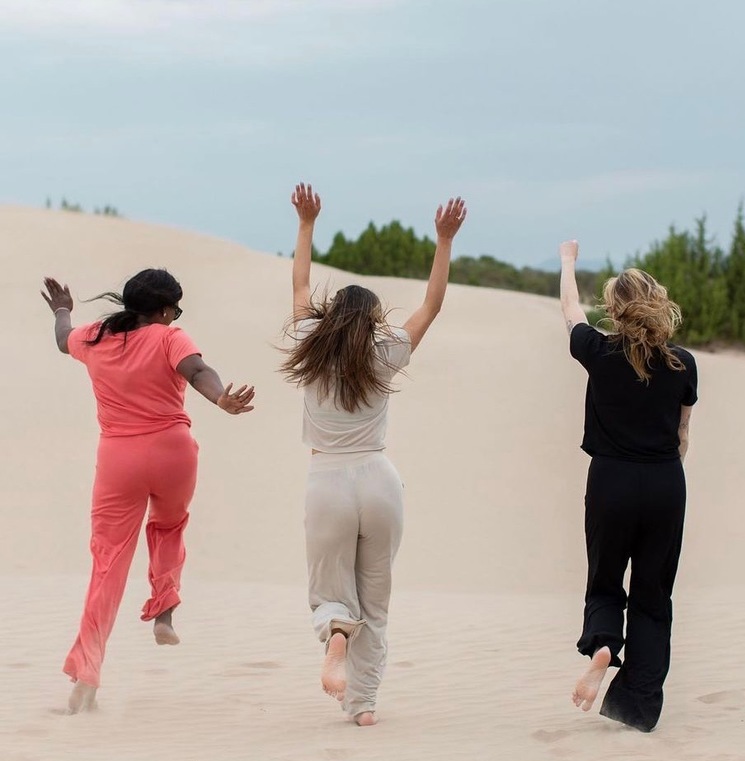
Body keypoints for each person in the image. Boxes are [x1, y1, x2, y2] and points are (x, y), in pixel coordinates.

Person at [282, 183, 466, 726]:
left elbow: (299, 283)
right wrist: (444, 240)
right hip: (380, 480)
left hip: (327, 479)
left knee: (331, 589)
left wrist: (306, 224)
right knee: (377, 598)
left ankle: (337, 633)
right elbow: (432, 305)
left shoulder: (310, 342)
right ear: (371, 321)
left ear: (333, 316)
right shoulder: (385, 352)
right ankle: (362, 705)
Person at [41, 270, 255, 714]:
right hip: (173, 453)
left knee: (108, 562)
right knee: (170, 526)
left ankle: (87, 673)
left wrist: (62, 309)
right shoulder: (169, 337)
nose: (175, 317)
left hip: (119, 460)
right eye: (175, 309)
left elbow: (62, 338)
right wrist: (220, 399)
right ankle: (164, 610)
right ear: (163, 310)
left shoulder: (94, 336)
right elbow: (198, 371)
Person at [560, 240, 698, 733]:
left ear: (615, 311)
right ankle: (635, 707)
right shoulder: (683, 363)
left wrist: (568, 261)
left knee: (605, 579)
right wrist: (663, 473)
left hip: (611, 480)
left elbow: (570, 309)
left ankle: (602, 645)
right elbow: (683, 435)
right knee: (653, 595)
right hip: (664, 482)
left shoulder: (598, 351)